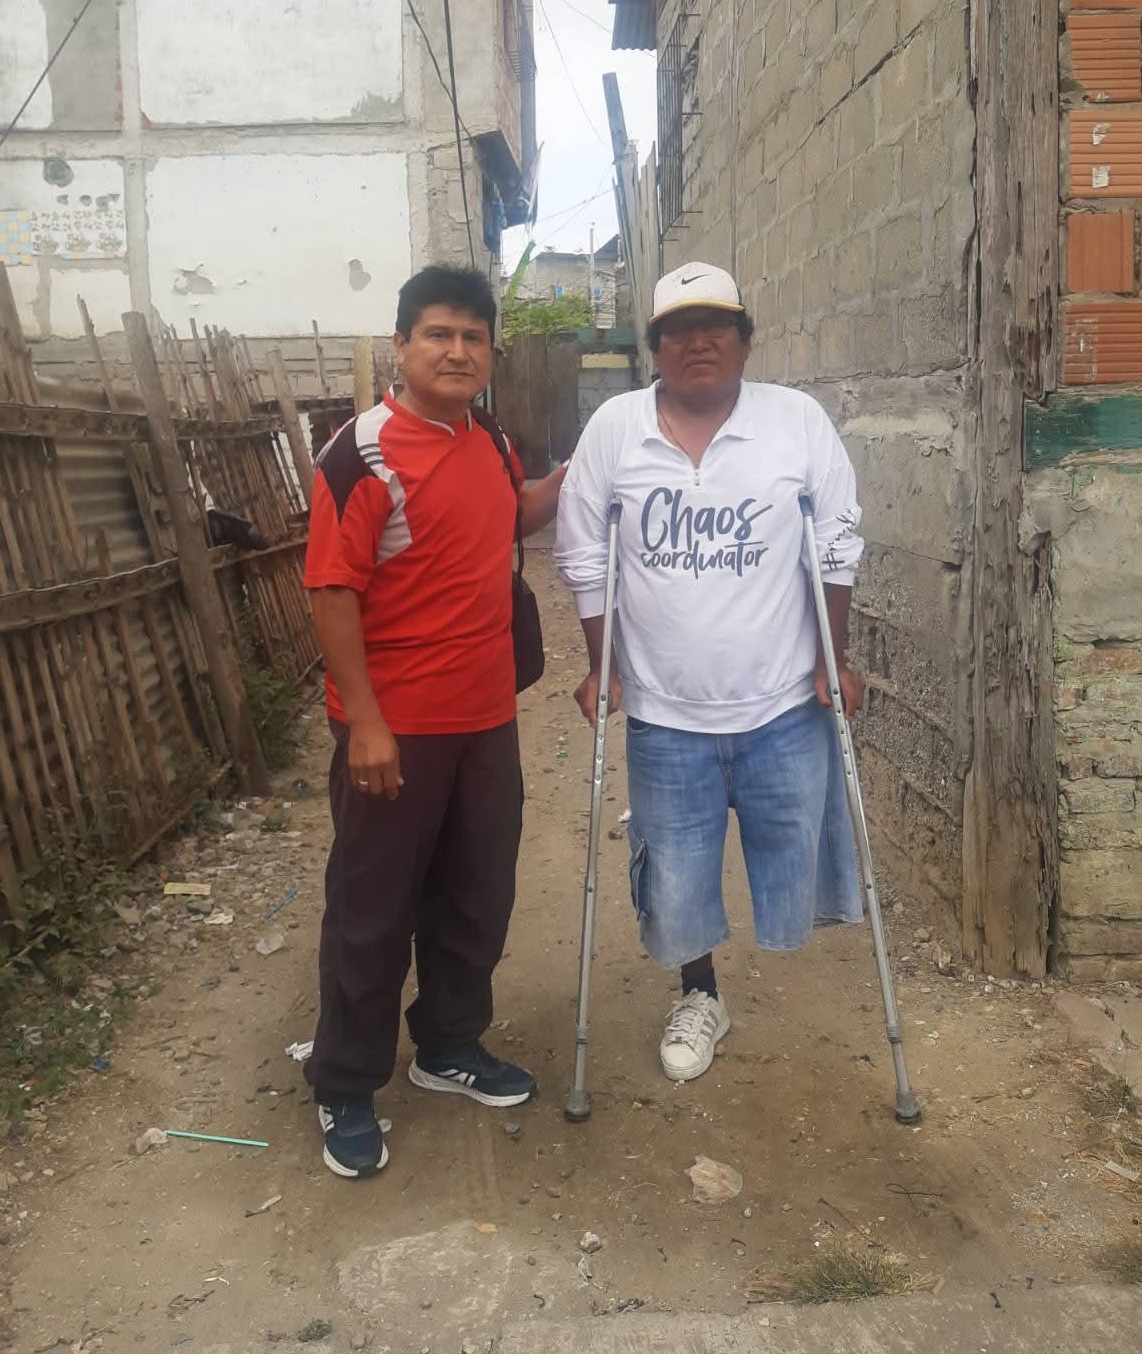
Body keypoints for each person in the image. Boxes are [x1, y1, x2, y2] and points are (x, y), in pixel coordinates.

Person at [554, 262, 865, 1085]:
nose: (697, 343)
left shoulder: (795, 422)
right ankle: (700, 995)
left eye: (715, 326)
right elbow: (584, 553)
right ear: (654, 348)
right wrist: (600, 663)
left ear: (745, 341)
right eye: (677, 331)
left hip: (783, 705)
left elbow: (834, 545)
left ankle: (788, 966)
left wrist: (834, 659)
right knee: (677, 879)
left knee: (797, 865)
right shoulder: (616, 430)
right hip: (665, 713)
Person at [303, 265, 565, 1178]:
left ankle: (449, 1045)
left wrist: (577, 476)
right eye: (438, 335)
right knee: (372, 909)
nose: (457, 352)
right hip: (396, 727)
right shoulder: (362, 454)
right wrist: (366, 724)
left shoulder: (488, 439)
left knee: (475, 893)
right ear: (403, 345)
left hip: (486, 719)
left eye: (473, 338)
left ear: (490, 351)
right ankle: (345, 1081)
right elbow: (331, 590)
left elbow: (508, 518)